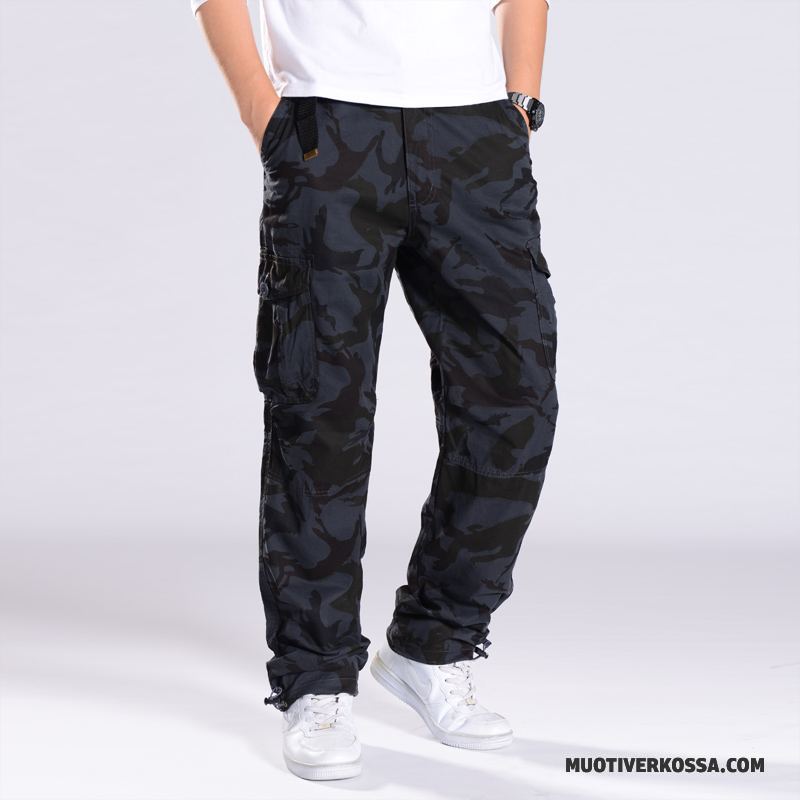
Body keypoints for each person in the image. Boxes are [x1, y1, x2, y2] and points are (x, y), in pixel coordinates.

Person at [192, 0, 557, 781]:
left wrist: (520, 103)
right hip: (330, 125)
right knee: (320, 410)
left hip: (474, 135)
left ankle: (434, 643)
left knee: (514, 397)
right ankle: (316, 679)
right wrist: (265, 113)